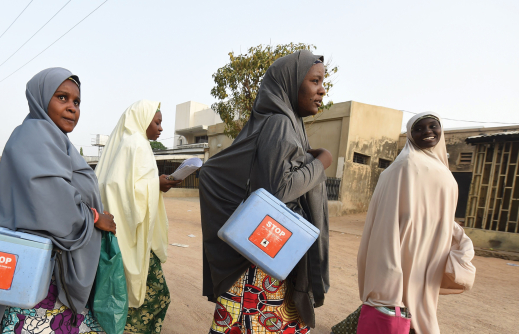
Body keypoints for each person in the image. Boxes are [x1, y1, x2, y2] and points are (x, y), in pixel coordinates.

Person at [199, 50, 332, 333]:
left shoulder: (280, 122)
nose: (322, 90)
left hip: (265, 256)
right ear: (290, 83)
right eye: (315, 81)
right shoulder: (280, 123)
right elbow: (279, 190)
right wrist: (321, 162)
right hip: (262, 265)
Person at [0, 68, 117, 334]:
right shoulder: (36, 135)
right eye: (62, 98)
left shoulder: (56, 141)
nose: (72, 108)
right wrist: (97, 219)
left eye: (76, 102)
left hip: (49, 263)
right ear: (40, 99)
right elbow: (52, 205)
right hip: (41, 268)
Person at [353, 112, 476, 334]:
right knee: (403, 309)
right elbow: (387, 221)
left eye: (433, 126)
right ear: (410, 135)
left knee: (419, 309)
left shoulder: (440, 168)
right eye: (419, 128)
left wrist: (457, 236)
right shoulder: (405, 165)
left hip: (431, 253)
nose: (428, 131)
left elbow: (441, 214)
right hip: (405, 251)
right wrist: (388, 269)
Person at [95, 100, 180, 334]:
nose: (161, 129)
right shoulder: (136, 144)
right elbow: (120, 188)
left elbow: (124, 186)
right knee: (154, 296)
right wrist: (157, 184)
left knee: (133, 292)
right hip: (131, 236)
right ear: (143, 120)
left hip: (127, 234)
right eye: (157, 122)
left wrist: (156, 186)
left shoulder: (131, 143)